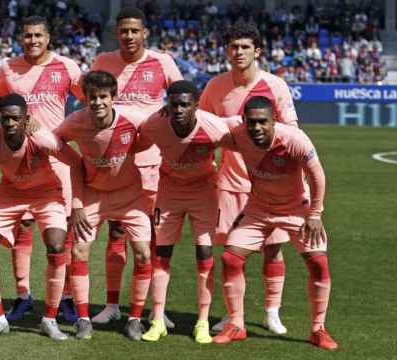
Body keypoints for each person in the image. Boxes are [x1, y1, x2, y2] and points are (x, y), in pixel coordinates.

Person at [212, 96, 338, 351]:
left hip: (296, 208)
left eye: (262, 122)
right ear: (243, 121)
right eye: (251, 122)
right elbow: (205, 124)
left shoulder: (294, 139)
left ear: (274, 121)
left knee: (318, 263)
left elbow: (317, 176)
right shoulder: (237, 133)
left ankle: (318, 329)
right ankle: (236, 325)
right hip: (258, 208)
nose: (256, 128)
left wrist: (315, 214)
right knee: (230, 258)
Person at [199, 21, 298, 334]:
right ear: (227, 50)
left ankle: (272, 311)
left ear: (257, 51)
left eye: (244, 47)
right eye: (233, 47)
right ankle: (234, 315)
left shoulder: (276, 86)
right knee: (232, 253)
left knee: (273, 248)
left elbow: (292, 133)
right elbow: (204, 131)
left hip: (270, 185)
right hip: (230, 182)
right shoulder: (215, 87)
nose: (238, 52)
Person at [90, 7, 182, 326]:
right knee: (116, 231)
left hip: (153, 163)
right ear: (116, 33)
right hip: (114, 164)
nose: (129, 36)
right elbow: (90, 98)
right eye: (123, 30)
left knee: (154, 238)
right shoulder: (102, 62)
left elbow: (181, 97)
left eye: (134, 31)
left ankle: (155, 308)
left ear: (145, 33)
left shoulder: (163, 62)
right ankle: (112, 304)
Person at [0, 15, 84, 323]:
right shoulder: (8, 68)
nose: (32, 41)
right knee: (21, 229)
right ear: (21, 38)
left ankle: (67, 297)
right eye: (27, 35)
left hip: (57, 159)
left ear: (48, 38)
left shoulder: (67, 68)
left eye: (38, 36)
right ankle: (22, 295)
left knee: (64, 233)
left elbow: (92, 100)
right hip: (21, 161)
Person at [0, 94, 82, 340]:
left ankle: (49, 320)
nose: (9, 123)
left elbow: (75, 162)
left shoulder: (41, 138)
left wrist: (77, 203)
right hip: (9, 193)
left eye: (15, 119)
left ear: (26, 119)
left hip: (46, 193)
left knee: (56, 245)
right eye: (5, 118)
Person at [56, 70, 153, 341]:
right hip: (93, 196)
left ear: (114, 97)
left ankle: (134, 318)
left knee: (144, 252)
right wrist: (76, 198)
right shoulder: (75, 121)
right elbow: (55, 142)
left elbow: (155, 133)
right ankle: (84, 319)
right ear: (85, 99)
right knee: (79, 249)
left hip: (131, 196)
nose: (97, 103)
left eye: (103, 97)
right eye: (92, 98)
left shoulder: (133, 119)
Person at [138, 80, 236, 343]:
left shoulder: (213, 126)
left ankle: (202, 322)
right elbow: (138, 140)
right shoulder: (155, 123)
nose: (179, 109)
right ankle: (157, 320)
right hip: (169, 191)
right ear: (166, 105)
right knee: (162, 254)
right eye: (174, 104)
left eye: (185, 104)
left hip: (204, 193)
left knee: (204, 254)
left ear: (196, 104)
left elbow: (242, 142)